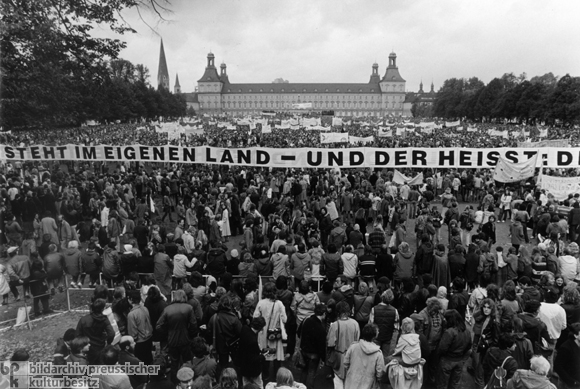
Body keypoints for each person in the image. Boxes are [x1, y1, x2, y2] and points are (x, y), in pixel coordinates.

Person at [156, 289, 198, 379]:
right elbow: (194, 324)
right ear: (184, 297)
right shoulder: (188, 308)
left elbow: (158, 326)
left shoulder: (167, 309)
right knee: (187, 362)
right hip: (185, 340)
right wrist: (191, 334)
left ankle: (174, 383)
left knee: (174, 363)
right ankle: (187, 380)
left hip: (172, 341)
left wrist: (167, 333)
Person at [253, 282, 287, 381]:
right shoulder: (279, 303)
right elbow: (285, 319)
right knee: (276, 356)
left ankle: (265, 377)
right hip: (275, 334)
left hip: (263, 333)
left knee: (265, 354)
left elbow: (255, 317)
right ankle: (277, 378)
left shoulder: (261, 303)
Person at [326, 300, 360, 389]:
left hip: (339, 357)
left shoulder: (335, 325)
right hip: (352, 356)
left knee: (338, 380)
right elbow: (357, 340)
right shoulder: (355, 323)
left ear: (338, 312)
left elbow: (330, 343)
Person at [437, 309, 472, 389]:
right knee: (455, 384)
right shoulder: (467, 331)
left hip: (447, 360)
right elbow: (469, 346)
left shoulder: (450, 332)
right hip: (459, 360)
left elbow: (442, 348)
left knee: (442, 384)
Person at [343, 323, 385, 389]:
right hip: (369, 384)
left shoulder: (353, 347)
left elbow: (346, 363)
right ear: (375, 336)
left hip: (352, 382)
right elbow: (379, 373)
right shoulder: (378, 353)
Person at [387, 317, 425, 389]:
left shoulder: (403, 338)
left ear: (403, 327)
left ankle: (385, 382)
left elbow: (396, 352)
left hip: (406, 362)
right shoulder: (417, 337)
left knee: (388, 359)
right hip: (416, 361)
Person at [75, 298, 115, 364]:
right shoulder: (104, 320)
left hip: (87, 349)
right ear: (102, 309)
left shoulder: (83, 319)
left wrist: (83, 345)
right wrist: (108, 343)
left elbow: (77, 335)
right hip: (100, 348)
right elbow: (112, 333)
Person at [299, 303, 326, 389]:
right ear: (323, 313)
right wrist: (323, 359)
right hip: (314, 354)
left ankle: (300, 387)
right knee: (311, 373)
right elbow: (321, 346)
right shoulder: (321, 328)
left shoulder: (306, 320)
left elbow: (299, 332)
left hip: (303, 350)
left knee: (304, 370)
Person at [368, 288, 399, 356]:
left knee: (374, 356)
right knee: (385, 358)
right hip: (388, 338)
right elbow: (396, 328)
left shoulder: (374, 309)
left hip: (376, 337)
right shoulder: (395, 311)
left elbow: (370, 324)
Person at [126, 290, 153, 365]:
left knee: (140, 363)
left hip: (140, 342)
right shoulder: (145, 308)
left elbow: (133, 333)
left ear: (131, 299)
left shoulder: (131, 314)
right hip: (149, 338)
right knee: (148, 359)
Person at [239, 316, 266, 388]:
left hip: (243, 367)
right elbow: (253, 359)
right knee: (259, 386)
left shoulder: (244, 329)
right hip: (253, 371)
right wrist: (263, 356)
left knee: (246, 386)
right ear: (260, 328)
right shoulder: (253, 341)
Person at [553, 322, 580, 389]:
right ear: (575, 335)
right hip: (570, 384)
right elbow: (558, 366)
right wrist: (572, 382)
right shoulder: (565, 348)